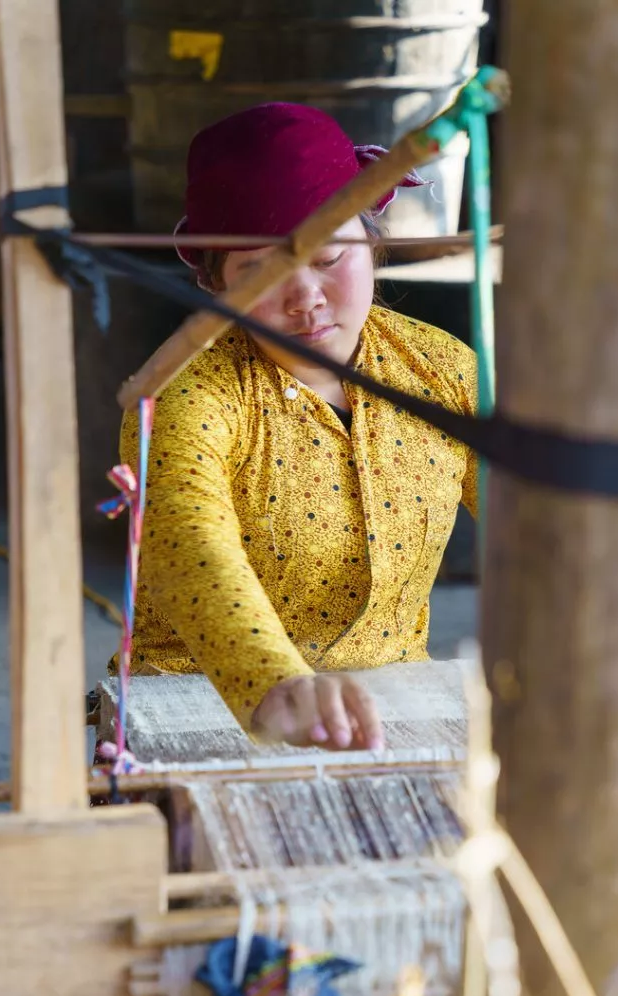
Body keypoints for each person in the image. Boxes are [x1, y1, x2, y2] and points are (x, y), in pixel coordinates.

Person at [110, 102, 478, 753]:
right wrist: (276, 684)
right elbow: (187, 537)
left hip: (391, 713)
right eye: (258, 272)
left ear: (371, 239)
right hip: (202, 705)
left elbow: (538, 515)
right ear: (217, 286)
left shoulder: (441, 370)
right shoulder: (190, 393)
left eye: (329, 256)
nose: (304, 296)